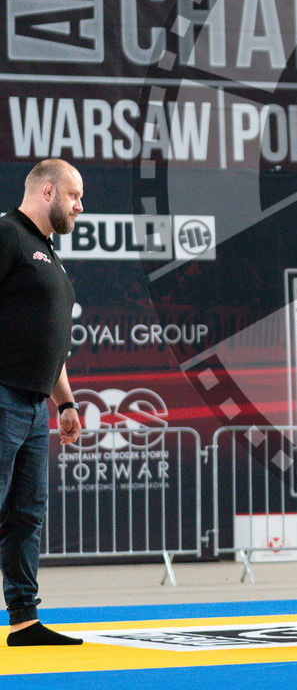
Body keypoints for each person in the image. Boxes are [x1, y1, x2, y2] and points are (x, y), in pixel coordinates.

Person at [0, 160, 84, 646]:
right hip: (2, 395)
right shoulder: (8, 235)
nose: (80, 206)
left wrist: (66, 402)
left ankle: (24, 622)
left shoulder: (47, 251)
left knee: (26, 516)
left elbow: (50, 341)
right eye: (75, 195)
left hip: (33, 404)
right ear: (47, 190)